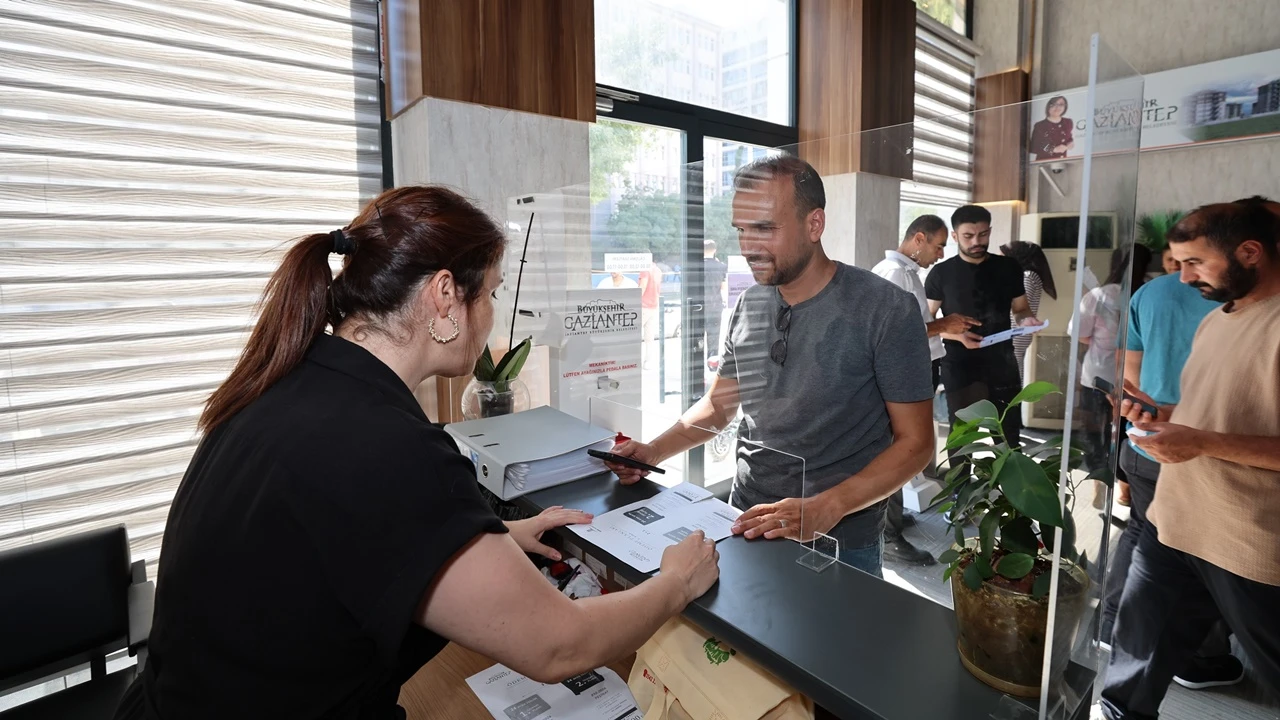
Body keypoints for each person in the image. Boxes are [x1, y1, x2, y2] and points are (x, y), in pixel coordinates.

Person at [113, 186, 720, 720]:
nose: (491, 317)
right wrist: (676, 582)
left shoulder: (290, 384)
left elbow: (321, 552)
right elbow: (559, 646)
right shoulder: (388, 446)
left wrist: (488, 541)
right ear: (445, 297)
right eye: (490, 295)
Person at [605, 157, 935, 578]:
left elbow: (916, 442)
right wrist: (653, 451)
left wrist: (828, 506)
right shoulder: (749, 303)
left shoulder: (885, 309)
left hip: (838, 540)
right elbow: (719, 406)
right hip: (742, 519)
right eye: (741, 230)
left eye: (764, 228)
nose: (748, 246)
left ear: (814, 224)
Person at [1100, 199, 1280, 720]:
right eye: (1177, 263)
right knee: (1133, 661)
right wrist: (1160, 415)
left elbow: (1209, 436)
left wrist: (1200, 443)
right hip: (1174, 522)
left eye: (1194, 262)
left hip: (1246, 540)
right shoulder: (1218, 318)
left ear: (1250, 252)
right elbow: (1213, 413)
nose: (1182, 278)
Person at [1098, 256, 1233, 691]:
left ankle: (1111, 625)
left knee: (1142, 533)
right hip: (1208, 449)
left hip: (1146, 438)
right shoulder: (1245, 299)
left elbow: (1131, 375)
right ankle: (1198, 655)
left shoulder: (1149, 294)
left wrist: (1151, 412)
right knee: (1203, 551)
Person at [872, 214, 978, 566]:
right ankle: (886, 536)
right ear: (919, 239)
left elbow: (912, 327)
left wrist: (947, 329)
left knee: (902, 448)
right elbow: (891, 334)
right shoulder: (894, 274)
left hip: (913, 373)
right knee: (895, 451)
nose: (941, 253)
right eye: (939, 245)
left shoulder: (906, 273)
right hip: (898, 378)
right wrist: (943, 325)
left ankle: (891, 519)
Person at [926, 205, 1040, 460]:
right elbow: (928, 324)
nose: (976, 242)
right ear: (955, 236)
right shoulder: (941, 273)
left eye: (983, 234)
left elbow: (1020, 308)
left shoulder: (1009, 267)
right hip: (960, 364)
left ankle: (1008, 485)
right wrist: (958, 336)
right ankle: (960, 485)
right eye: (968, 236)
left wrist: (1027, 319)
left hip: (1003, 362)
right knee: (962, 436)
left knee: (1009, 435)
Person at [1069, 244, 1151, 477]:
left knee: (1095, 430)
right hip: (1138, 379)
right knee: (1128, 430)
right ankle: (1124, 480)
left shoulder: (1099, 295)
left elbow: (1079, 333)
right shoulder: (1148, 294)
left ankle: (1098, 477)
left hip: (1098, 375)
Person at [1000, 240, 1058, 380]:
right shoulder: (1026, 275)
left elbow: (1019, 306)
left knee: (1012, 370)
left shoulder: (1027, 276)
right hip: (1018, 331)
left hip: (1016, 332)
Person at [702, 240, 729, 357]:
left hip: (700, 306)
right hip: (715, 305)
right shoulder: (721, 266)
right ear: (715, 250)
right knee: (714, 336)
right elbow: (723, 287)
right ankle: (712, 360)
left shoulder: (697, 265)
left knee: (697, 335)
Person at [1030, 95, 1074, 161]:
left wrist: (1069, 145)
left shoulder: (1068, 122)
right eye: (1053, 104)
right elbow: (1034, 147)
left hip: (1062, 160)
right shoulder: (1040, 125)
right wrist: (1054, 149)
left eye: (1061, 104)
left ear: (1065, 107)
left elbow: (1069, 139)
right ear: (1048, 107)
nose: (1057, 107)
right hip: (1044, 162)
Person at [639, 260, 664, 369]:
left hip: (643, 306)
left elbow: (642, 287)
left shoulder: (645, 270)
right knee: (649, 338)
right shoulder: (658, 270)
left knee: (633, 334)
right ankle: (648, 362)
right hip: (654, 306)